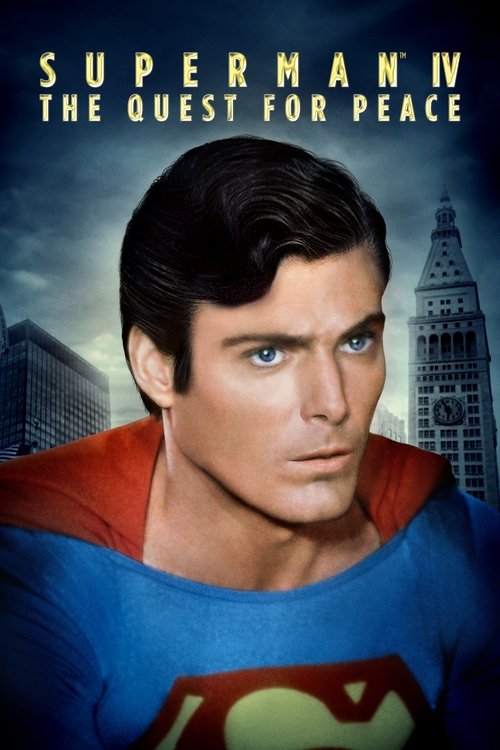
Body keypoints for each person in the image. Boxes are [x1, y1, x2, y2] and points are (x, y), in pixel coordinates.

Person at [0, 136, 498, 750]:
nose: (334, 404)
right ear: (157, 368)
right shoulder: (41, 570)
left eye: (356, 342)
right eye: (267, 354)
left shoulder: (465, 549)